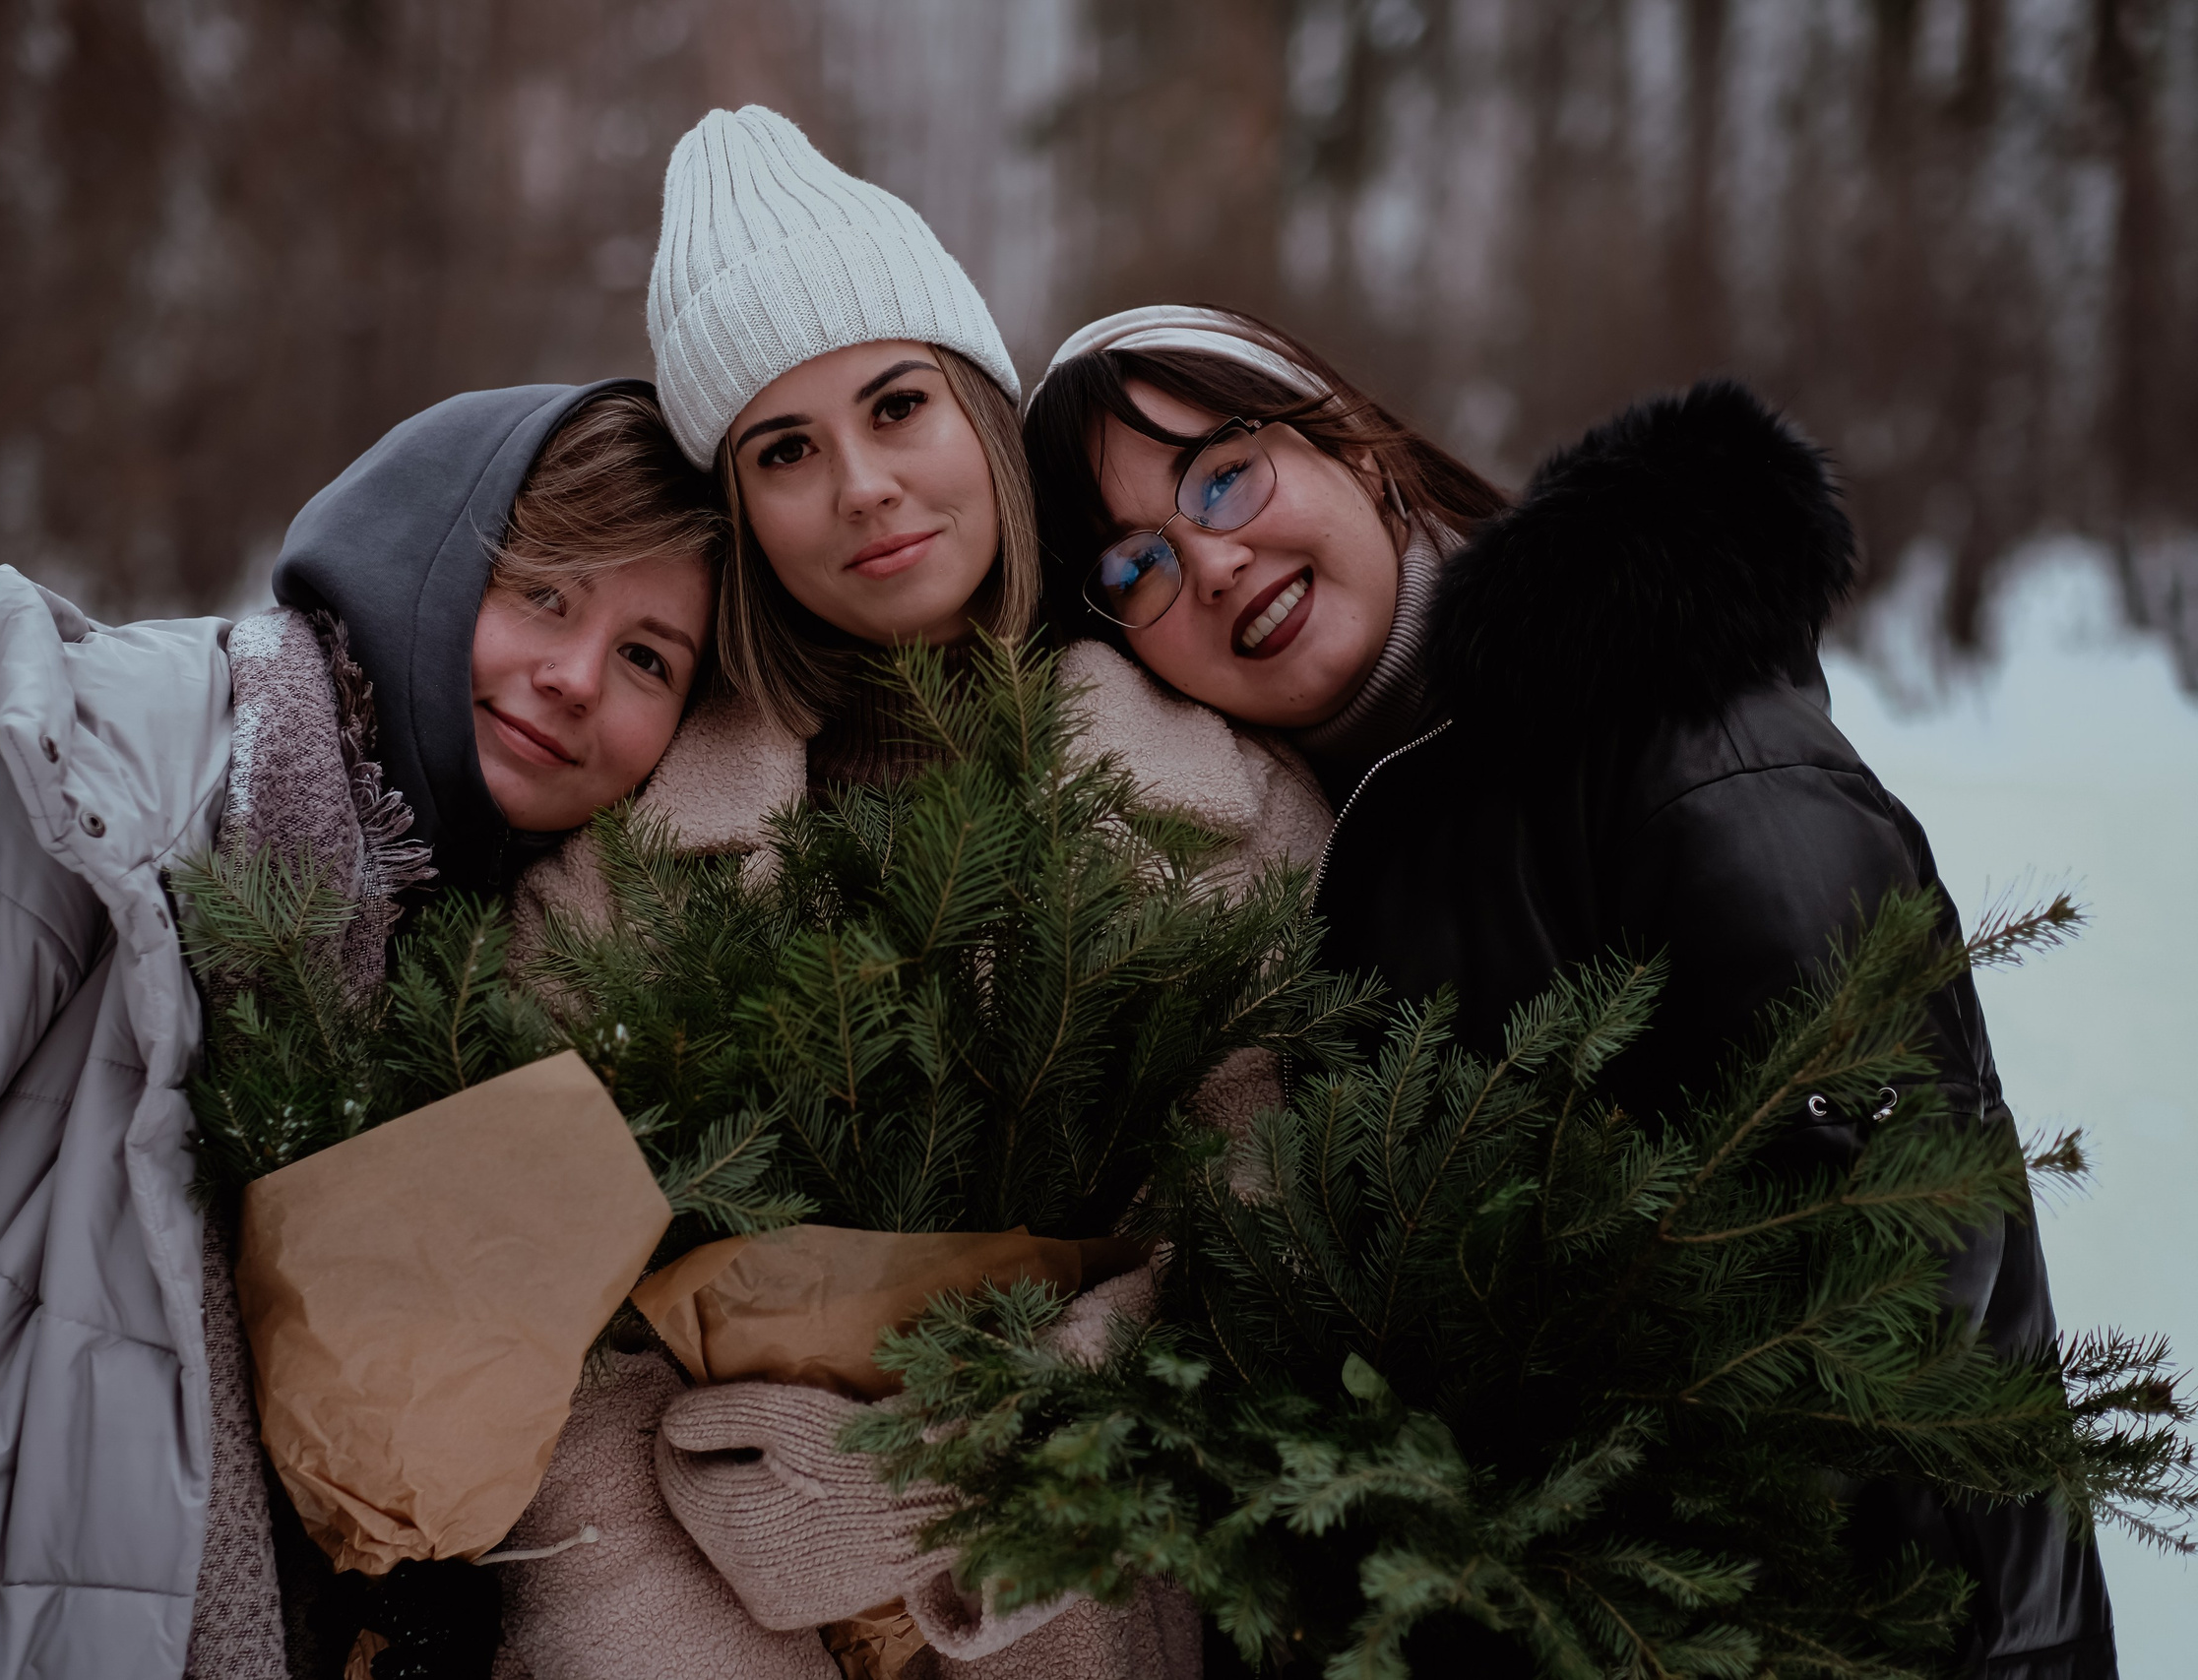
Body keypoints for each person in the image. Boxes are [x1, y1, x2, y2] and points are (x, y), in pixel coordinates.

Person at [1020, 305, 2116, 1679]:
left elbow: (1881, 1254)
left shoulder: (1675, 730)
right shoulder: (1303, 863)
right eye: (1138, 566)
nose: (1215, 561)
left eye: (1222, 476)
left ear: (1350, 444)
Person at [0, 378, 725, 1680]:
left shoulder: (492, 992)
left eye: (647, 659)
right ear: (426, 560)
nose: (573, 679)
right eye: (544, 595)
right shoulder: (92, 778)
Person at [498, 109, 1286, 1680]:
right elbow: (546, 1344)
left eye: (897, 404)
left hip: (1098, 1613)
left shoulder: (1226, 799)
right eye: (785, 451)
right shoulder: (622, 875)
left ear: (981, 414)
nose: (863, 487)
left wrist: (992, 1474)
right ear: (740, 511)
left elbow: (1281, 1225)